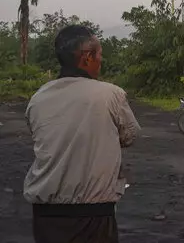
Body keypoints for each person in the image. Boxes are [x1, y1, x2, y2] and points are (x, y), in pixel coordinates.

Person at [24, 25, 141, 243]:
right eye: (99, 55)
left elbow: (43, 138)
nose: (101, 60)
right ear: (87, 58)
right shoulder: (110, 94)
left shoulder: (38, 98)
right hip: (93, 212)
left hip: (44, 215)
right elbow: (130, 136)